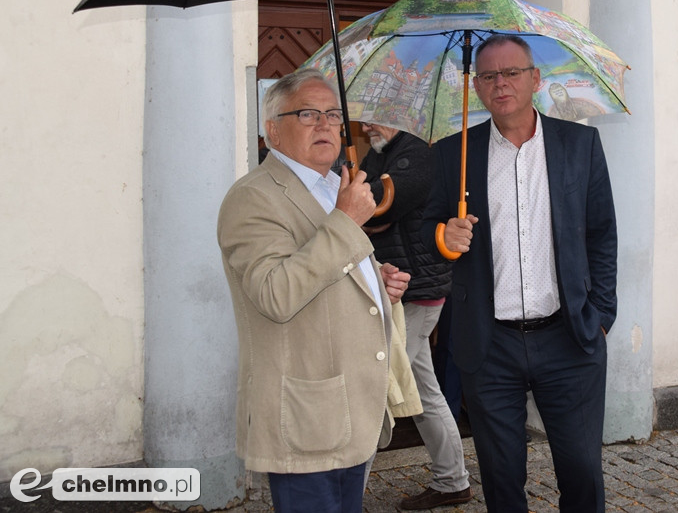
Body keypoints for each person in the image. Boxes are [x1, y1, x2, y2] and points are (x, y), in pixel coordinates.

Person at [422, 34, 617, 512]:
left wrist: (602, 313)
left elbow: (601, 233)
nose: (500, 83)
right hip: (489, 345)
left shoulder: (579, 144)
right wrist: (443, 237)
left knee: (581, 470)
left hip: (568, 336)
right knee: (502, 478)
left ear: (535, 80)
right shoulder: (453, 155)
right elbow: (426, 229)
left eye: (511, 73)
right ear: (476, 87)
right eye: (488, 75)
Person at [217, 69, 411, 513]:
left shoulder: (332, 187)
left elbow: (327, 267)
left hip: (350, 406)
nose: (325, 124)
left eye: (333, 114)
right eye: (308, 113)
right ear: (272, 131)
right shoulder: (253, 198)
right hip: (305, 414)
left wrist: (375, 278)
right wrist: (346, 223)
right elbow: (275, 293)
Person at [359, 121, 473, 510]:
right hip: (397, 289)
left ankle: (345, 491)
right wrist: (367, 212)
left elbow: (373, 203)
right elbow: (362, 212)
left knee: (379, 389)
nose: (365, 123)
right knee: (422, 391)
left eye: (374, 114)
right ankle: (453, 480)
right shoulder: (378, 155)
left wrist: (366, 210)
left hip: (417, 290)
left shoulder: (417, 155)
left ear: (398, 115)